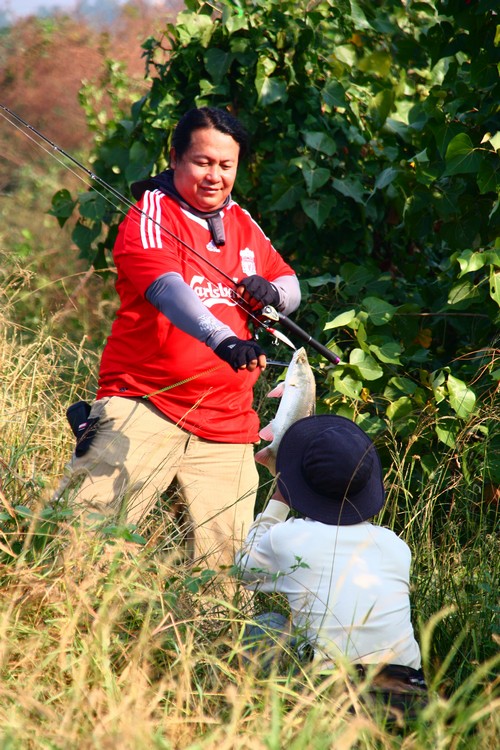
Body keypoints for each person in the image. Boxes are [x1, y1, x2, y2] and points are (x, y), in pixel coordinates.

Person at [55, 106, 300, 568]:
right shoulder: (150, 213)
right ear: (175, 158)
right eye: (203, 162)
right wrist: (224, 339)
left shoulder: (244, 223)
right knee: (79, 549)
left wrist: (275, 294)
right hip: (145, 407)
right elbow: (168, 290)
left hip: (228, 429)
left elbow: (290, 284)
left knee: (222, 586)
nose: (215, 175)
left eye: (226, 166)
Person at [235, 415, 427, 711]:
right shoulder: (395, 545)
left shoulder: (289, 537)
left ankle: (259, 711)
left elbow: (243, 571)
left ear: (299, 482)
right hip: (408, 690)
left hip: (330, 689)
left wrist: (279, 499)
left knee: (267, 624)